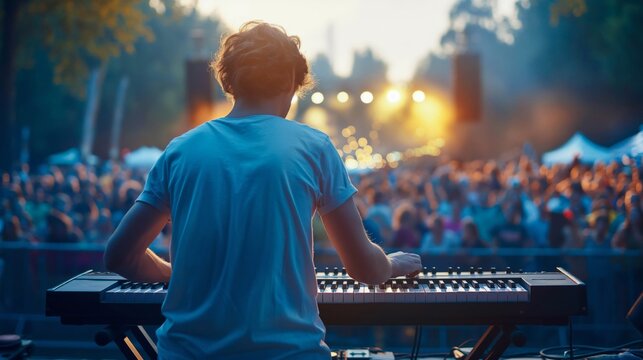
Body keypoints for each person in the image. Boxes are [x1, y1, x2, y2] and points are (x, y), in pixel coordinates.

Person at [104, 21, 422, 359]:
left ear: (229, 82)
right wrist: (396, 264)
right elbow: (365, 269)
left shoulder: (180, 151)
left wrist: (174, 273)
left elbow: (119, 256)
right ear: (290, 82)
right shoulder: (313, 147)